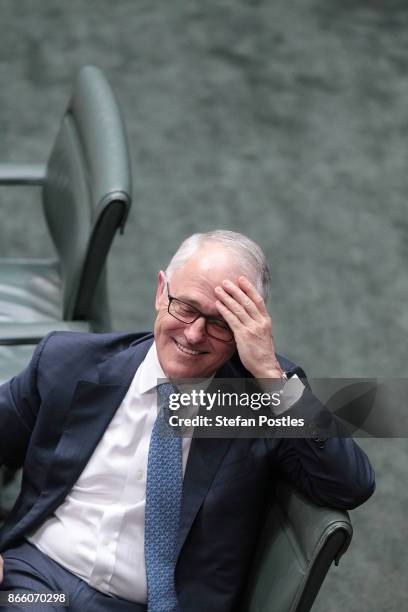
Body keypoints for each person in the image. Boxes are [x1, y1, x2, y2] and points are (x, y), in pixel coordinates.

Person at [0, 230, 375, 612]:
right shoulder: (70, 361)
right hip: (39, 583)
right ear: (161, 291)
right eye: (186, 308)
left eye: (220, 323)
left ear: (248, 328)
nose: (194, 334)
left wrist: (269, 373)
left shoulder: (261, 399)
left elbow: (350, 485)